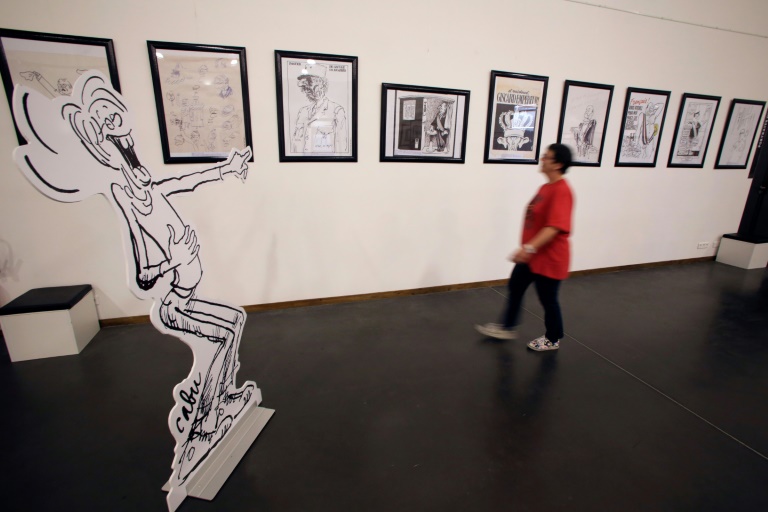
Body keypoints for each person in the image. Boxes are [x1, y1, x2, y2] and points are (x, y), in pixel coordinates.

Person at [475, 143, 574, 351]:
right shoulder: (546, 188)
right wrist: (528, 250)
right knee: (516, 286)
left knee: (548, 300)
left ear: (558, 164)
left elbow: (554, 227)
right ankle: (508, 326)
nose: (542, 160)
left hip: (549, 258)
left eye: (547, 157)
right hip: (533, 256)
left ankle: (552, 338)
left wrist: (528, 248)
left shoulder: (562, 191)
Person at [291, 63, 348, 154]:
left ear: (321, 85)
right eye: (305, 87)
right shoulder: (303, 111)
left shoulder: (336, 110)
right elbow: (296, 143)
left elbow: (341, 147)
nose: (306, 90)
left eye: (310, 85)